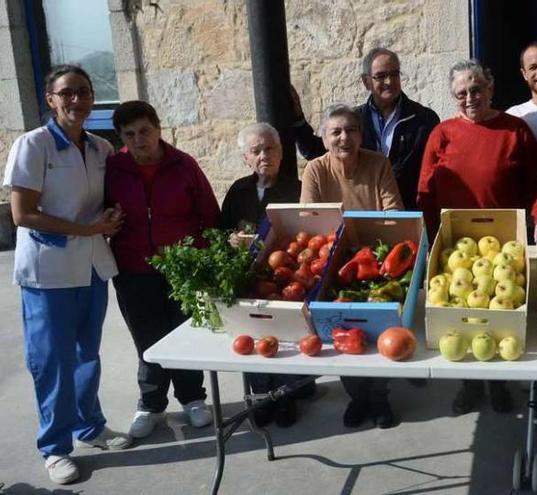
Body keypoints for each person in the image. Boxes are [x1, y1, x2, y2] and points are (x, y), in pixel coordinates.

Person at [3, 65, 131, 485]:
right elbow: (23, 214)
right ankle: (54, 448)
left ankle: (89, 427)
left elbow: (105, 200)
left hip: (92, 266)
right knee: (52, 361)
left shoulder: (100, 148)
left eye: (85, 92)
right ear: (51, 100)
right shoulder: (32, 145)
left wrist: (110, 217)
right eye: (67, 93)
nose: (77, 100)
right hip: (48, 272)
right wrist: (88, 229)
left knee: (86, 355)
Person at [417, 59, 537, 415]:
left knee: (498, 315)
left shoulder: (515, 130)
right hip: (456, 242)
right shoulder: (442, 133)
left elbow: (536, 183)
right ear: (453, 96)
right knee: (463, 313)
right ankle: (469, 384)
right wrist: (432, 238)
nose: (470, 97)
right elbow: (425, 190)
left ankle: (497, 384)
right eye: (461, 93)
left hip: (504, 239)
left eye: (476, 89)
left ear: (490, 87)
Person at [105, 101, 219, 439]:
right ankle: (151, 404)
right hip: (133, 267)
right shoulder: (113, 169)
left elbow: (209, 215)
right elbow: (101, 211)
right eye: (130, 134)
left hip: (185, 267)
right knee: (147, 338)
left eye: (145, 131)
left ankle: (193, 399)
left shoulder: (184, 165)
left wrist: (209, 262)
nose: (140, 140)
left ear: (158, 129)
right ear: (121, 137)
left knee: (186, 333)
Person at [301, 104, 403, 429]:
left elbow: (395, 213)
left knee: (379, 328)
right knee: (341, 329)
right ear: (324, 137)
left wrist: (371, 242)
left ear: (361, 135)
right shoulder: (315, 170)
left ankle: (380, 396)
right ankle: (358, 397)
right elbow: (311, 219)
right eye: (336, 131)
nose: (344, 137)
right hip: (333, 261)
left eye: (351, 130)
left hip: (376, 257)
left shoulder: (378, 164)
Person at [220, 122, 318, 428]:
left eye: (270, 148)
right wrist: (231, 239)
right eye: (256, 150)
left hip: (286, 274)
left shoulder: (297, 188)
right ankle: (261, 397)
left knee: (286, 334)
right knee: (254, 333)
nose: (264, 155)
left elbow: (310, 233)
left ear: (281, 152)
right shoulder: (238, 190)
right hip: (247, 276)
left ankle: (286, 394)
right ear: (246, 158)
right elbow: (222, 230)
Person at [292, 47, 439, 211]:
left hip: (410, 212)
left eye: (394, 74)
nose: (389, 82)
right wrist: (299, 121)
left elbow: (434, 172)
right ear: (366, 81)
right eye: (381, 76)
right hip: (368, 214)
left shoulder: (424, 120)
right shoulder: (353, 120)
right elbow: (323, 151)